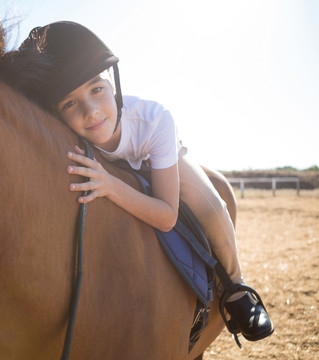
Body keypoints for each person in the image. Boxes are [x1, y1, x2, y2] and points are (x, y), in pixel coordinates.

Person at [18, 21, 273, 343]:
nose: (91, 111)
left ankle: (237, 290)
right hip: (109, 163)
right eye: (70, 103)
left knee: (211, 205)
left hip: (158, 156)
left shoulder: (155, 120)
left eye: (97, 89)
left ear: (113, 86)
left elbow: (167, 216)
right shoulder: (66, 131)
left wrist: (111, 185)